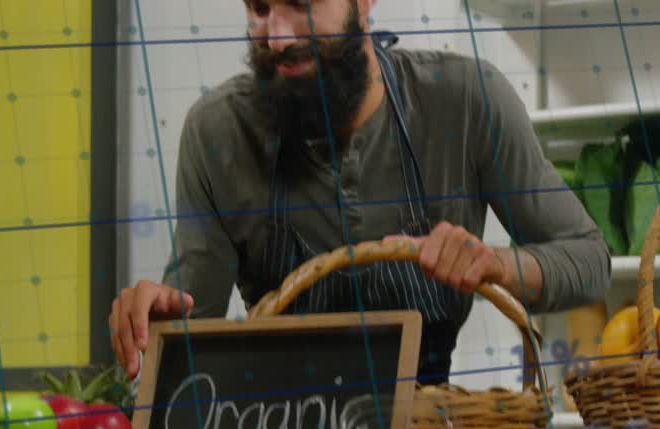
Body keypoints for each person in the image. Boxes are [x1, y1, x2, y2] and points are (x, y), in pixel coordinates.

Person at [110, 0, 611, 384]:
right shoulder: (217, 134)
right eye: (259, 8)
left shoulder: (464, 102)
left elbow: (590, 261)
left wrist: (496, 264)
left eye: (301, 4)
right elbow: (191, 338)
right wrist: (155, 327)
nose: (277, 36)